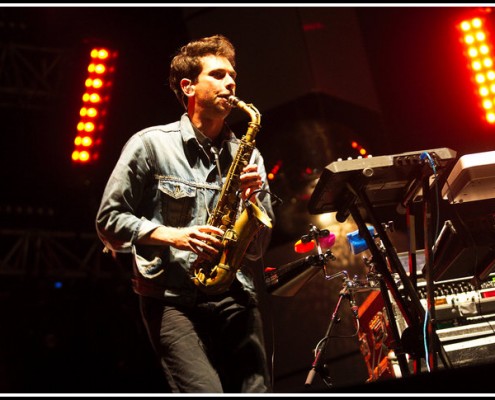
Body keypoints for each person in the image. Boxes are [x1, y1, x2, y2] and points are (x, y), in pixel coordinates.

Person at [95, 34, 275, 393]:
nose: (231, 83)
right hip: (171, 301)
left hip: (234, 297)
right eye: (219, 75)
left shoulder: (249, 155)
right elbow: (108, 223)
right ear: (189, 87)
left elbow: (257, 249)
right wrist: (174, 235)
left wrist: (252, 198)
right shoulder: (150, 145)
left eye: (232, 76)